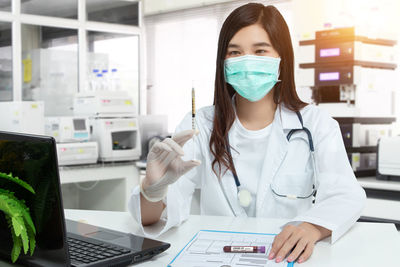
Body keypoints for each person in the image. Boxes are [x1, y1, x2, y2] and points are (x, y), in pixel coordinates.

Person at [129, 3, 366, 264]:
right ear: (224, 61)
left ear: (281, 59)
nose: (247, 61)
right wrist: (152, 191)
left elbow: (346, 195)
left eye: (260, 50)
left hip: (285, 258)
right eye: (235, 52)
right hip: (217, 257)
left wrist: (312, 227)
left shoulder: (316, 124)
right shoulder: (202, 124)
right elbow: (154, 218)